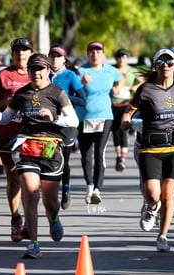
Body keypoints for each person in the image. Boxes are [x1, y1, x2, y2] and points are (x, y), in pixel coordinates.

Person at [0, 53, 79, 259]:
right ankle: (34, 243)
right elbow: (4, 119)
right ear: (28, 72)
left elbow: (73, 121)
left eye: (40, 69)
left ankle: (53, 217)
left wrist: (54, 118)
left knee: (51, 203)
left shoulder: (58, 93)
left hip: (51, 150)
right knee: (30, 193)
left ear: (48, 71)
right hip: (26, 147)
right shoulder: (21, 94)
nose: (36, 73)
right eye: (32, 69)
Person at [121, 49, 174, 252]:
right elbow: (129, 112)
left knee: (168, 194)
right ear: (155, 66)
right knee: (154, 194)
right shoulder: (145, 90)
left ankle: (162, 236)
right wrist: (126, 121)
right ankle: (150, 207)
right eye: (160, 62)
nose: (165, 65)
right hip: (150, 147)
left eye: (169, 61)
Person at [0, 38, 33, 242]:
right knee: (13, 178)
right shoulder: (3, 75)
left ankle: (31, 220)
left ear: (31, 54)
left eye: (25, 51)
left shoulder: (38, 74)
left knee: (29, 178)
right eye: (17, 51)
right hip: (7, 133)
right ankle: (16, 217)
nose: (21, 55)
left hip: (30, 134)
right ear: (12, 55)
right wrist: (4, 103)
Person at [76, 41, 122, 204]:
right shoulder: (81, 71)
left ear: (103, 54)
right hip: (85, 118)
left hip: (105, 116)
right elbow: (71, 92)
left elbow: (120, 78)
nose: (95, 54)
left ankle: (97, 189)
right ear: (88, 54)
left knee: (99, 152)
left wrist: (117, 89)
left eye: (98, 51)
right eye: (92, 51)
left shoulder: (110, 70)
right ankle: (89, 185)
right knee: (87, 154)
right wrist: (81, 85)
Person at [48, 45, 86, 209]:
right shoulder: (43, 74)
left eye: (58, 56)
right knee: (49, 158)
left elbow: (83, 100)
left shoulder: (70, 76)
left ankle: (66, 190)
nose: (55, 59)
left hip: (67, 124)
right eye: (52, 56)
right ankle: (50, 192)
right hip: (48, 124)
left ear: (64, 59)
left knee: (64, 160)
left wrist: (62, 96)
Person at [111, 48, 143, 172]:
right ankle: (119, 156)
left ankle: (122, 159)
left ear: (128, 58)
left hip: (127, 103)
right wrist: (112, 88)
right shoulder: (112, 70)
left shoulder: (132, 70)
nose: (121, 59)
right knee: (115, 132)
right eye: (119, 56)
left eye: (124, 56)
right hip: (113, 104)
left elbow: (144, 82)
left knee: (124, 130)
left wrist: (136, 87)